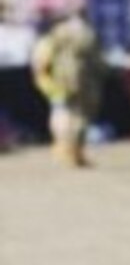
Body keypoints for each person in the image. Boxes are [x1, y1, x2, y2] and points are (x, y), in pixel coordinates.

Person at [31, 11, 106, 167]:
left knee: (63, 113)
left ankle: (69, 149)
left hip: (61, 79)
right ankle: (70, 150)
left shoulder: (54, 37)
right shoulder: (82, 35)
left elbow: (40, 60)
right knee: (70, 115)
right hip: (67, 81)